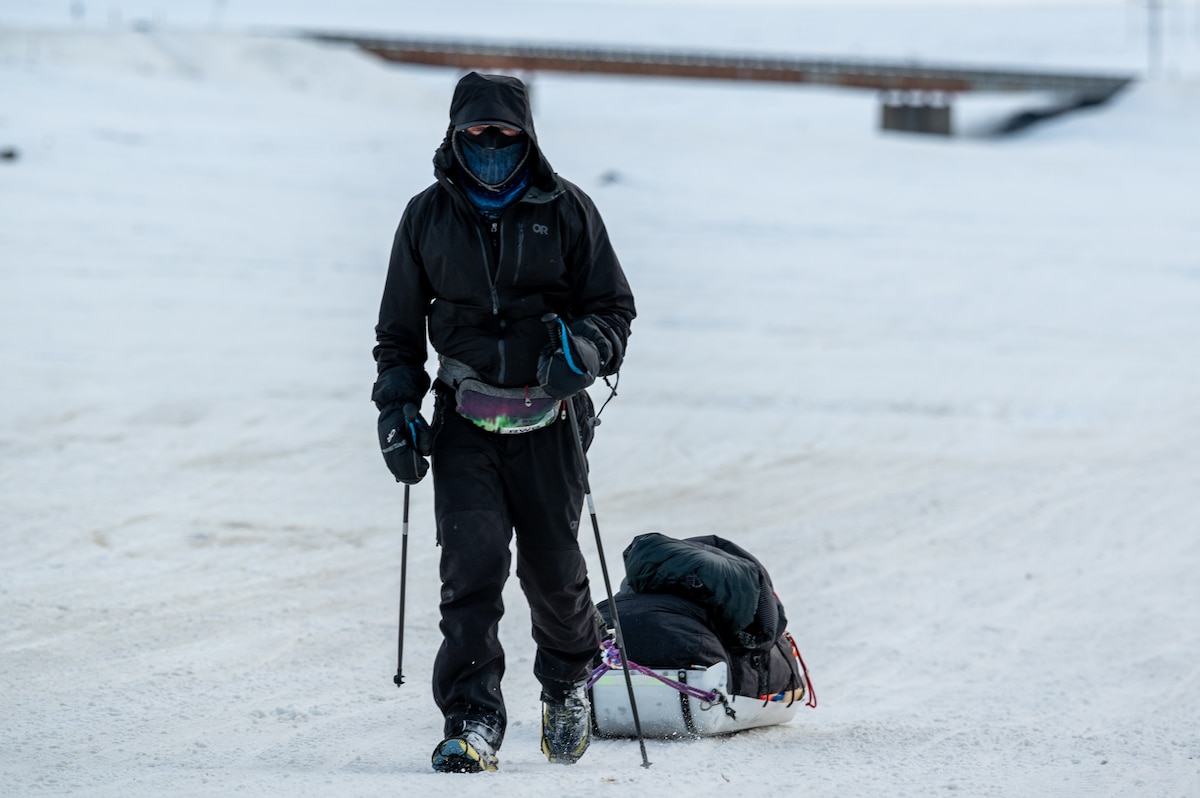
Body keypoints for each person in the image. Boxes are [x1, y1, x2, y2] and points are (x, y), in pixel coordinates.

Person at [371, 72, 635, 773]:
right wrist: (396, 409)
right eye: (476, 135)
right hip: (463, 419)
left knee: (554, 573)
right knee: (471, 568)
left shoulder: (568, 210)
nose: (490, 147)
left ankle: (567, 682)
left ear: (528, 138)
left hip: (549, 421)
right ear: (455, 135)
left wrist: (584, 353)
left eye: (504, 135)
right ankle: (472, 716)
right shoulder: (425, 217)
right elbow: (398, 332)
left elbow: (612, 308)